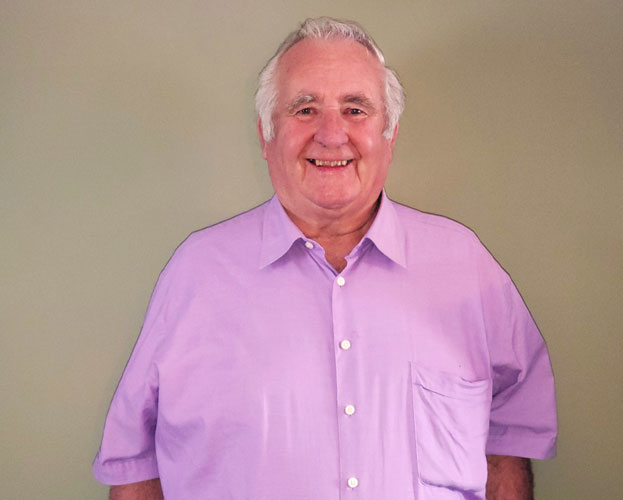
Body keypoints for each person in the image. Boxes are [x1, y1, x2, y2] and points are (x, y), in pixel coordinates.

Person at [94, 17, 557, 500]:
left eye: (355, 109)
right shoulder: (198, 273)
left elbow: (510, 435)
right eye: (305, 109)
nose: (332, 134)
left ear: (390, 133)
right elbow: (133, 461)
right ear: (266, 134)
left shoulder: (464, 266)